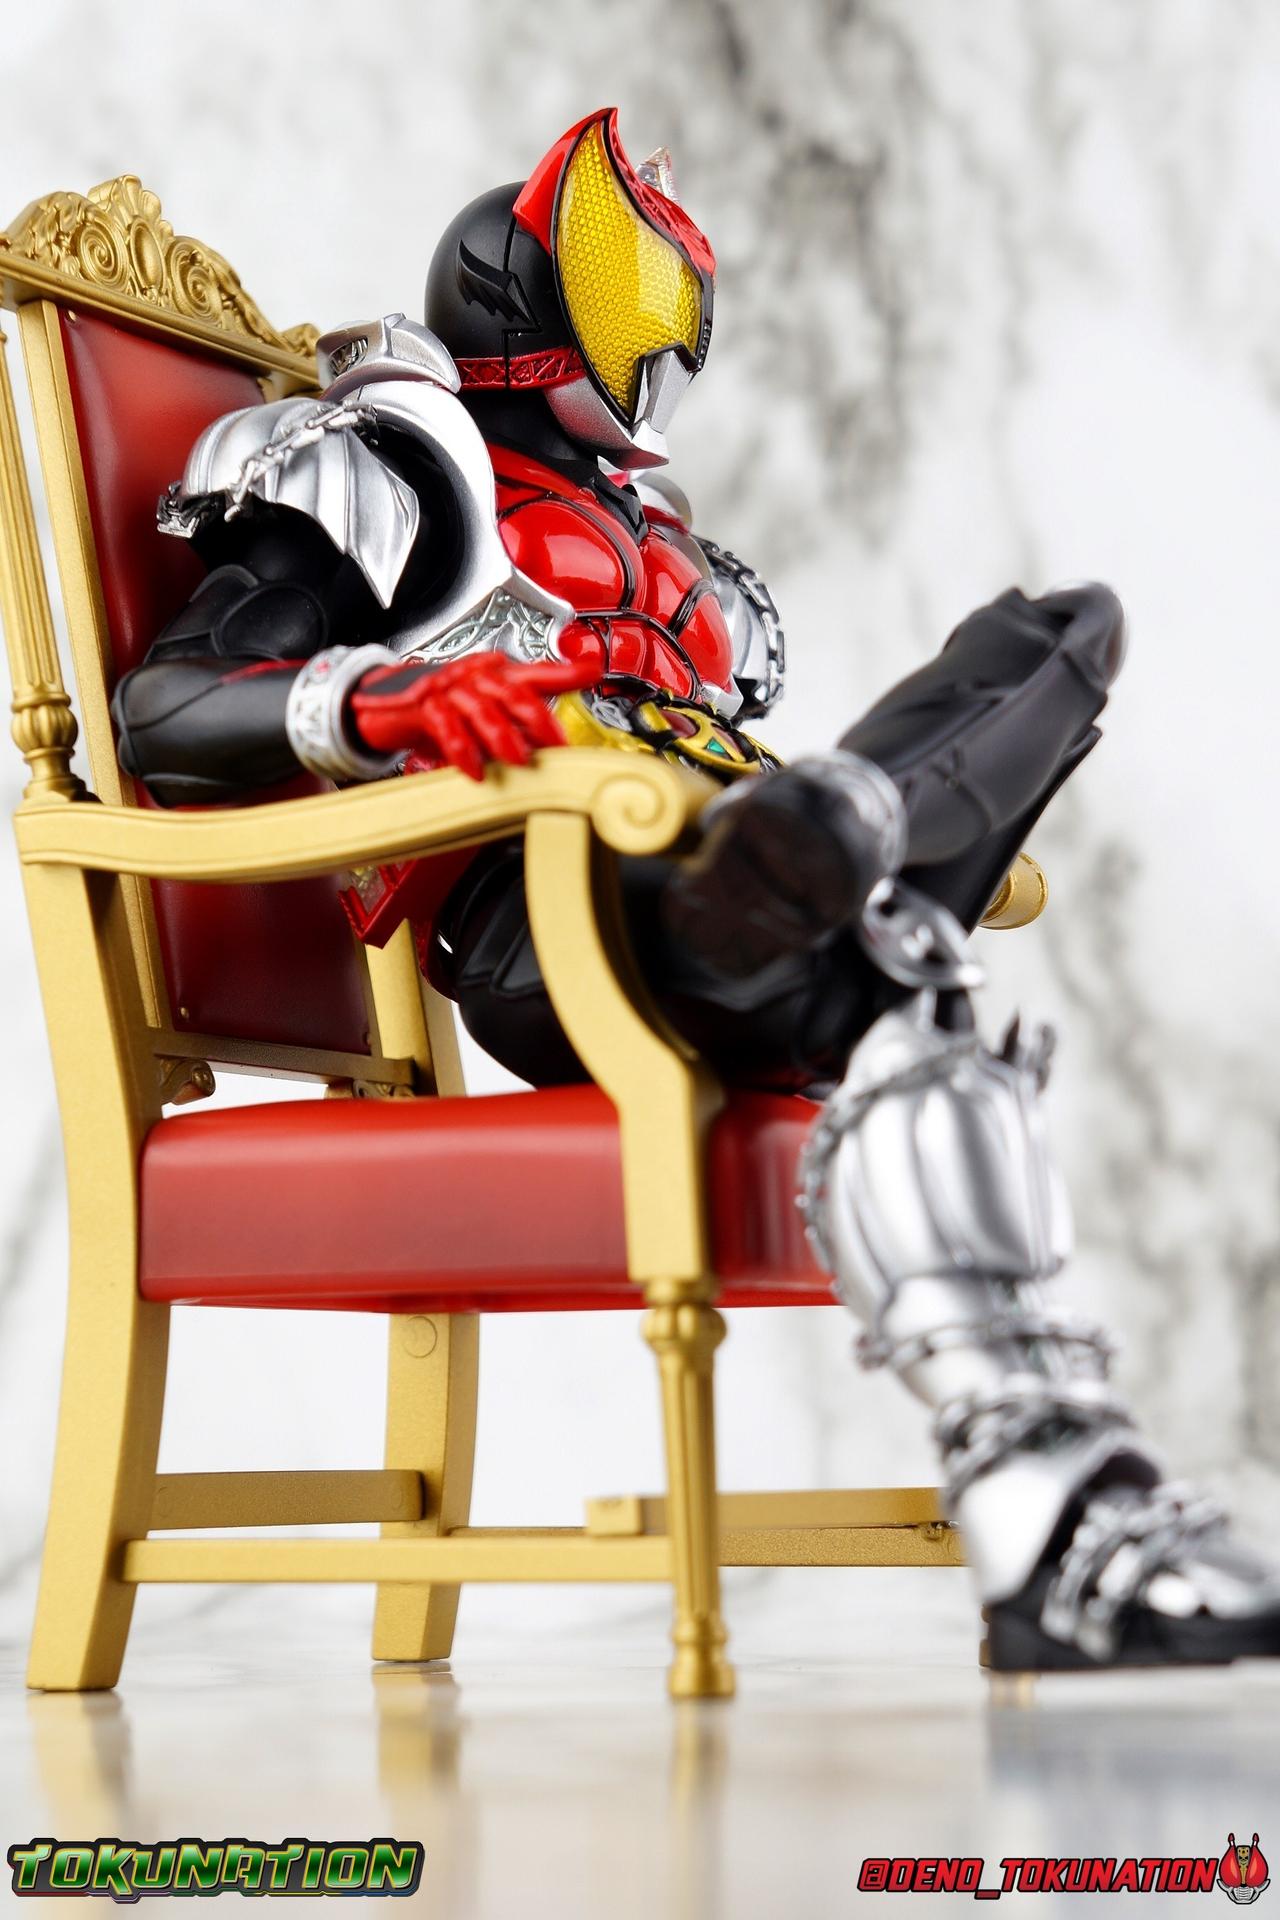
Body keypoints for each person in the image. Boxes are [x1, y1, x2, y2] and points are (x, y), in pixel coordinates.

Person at [112, 108, 1280, 1671]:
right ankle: (1063, 1511)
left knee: (1061, 641)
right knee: (901, 963)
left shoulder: (665, 555)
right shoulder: (391, 462)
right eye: (636, 285)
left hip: (718, 888)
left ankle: (1050, 1514)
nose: (665, 335)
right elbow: (166, 714)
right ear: (538, 288)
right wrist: (386, 702)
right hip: (554, 920)